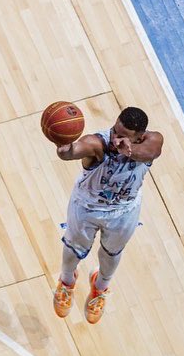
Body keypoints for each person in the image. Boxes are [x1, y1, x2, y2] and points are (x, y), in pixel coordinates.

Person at [52, 107, 163, 323]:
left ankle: (100, 287)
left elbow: (151, 153)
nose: (115, 138)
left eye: (123, 136)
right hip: (87, 206)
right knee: (73, 249)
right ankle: (66, 282)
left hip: (124, 209)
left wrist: (128, 151)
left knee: (112, 254)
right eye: (115, 130)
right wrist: (62, 147)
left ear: (140, 137)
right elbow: (73, 151)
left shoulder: (153, 140)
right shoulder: (98, 143)